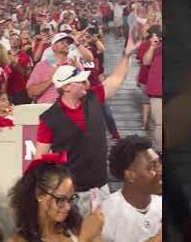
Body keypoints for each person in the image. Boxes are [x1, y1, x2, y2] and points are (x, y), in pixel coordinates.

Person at [35, 32, 140, 217]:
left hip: (100, 186)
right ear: (66, 87)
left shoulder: (93, 97)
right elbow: (39, 160)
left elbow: (117, 79)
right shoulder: (48, 119)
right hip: (70, 193)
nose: (86, 83)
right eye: (80, 81)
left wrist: (127, 55)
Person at [7, 158, 104, 242]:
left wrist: (95, 235)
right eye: (61, 199)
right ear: (39, 194)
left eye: (71, 199)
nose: (68, 207)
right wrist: (85, 238)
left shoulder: (75, 228)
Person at [101, 136, 162, 242]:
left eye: (159, 163)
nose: (160, 170)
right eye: (152, 167)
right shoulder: (105, 215)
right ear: (130, 175)